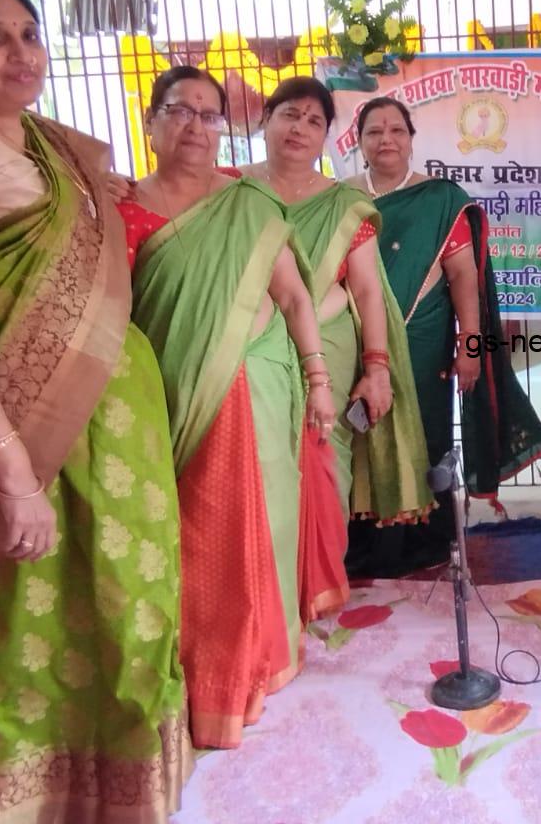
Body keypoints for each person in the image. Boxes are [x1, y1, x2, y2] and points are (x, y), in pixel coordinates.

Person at [0, 0, 191, 820]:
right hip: (22, 441)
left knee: (130, 604)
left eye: (29, 34)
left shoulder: (45, 144)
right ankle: (26, 802)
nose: (22, 53)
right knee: (31, 619)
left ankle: (119, 794)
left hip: (115, 431)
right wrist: (12, 474)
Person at [120, 65, 335, 749]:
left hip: (257, 390)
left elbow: (295, 298)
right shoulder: (124, 208)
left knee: (259, 522)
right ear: (151, 122)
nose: (195, 126)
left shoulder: (248, 203)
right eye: (179, 110)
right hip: (168, 398)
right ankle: (201, 668)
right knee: (191, 530)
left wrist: (319, 376)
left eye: (209, 114)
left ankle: (260, 656)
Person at [236, 76, 430, 614]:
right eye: (289, 115)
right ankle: (267, 594)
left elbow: (366, 291)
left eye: (314, 121)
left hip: (330, 345)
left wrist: (377, 366)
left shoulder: (344, 203)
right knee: (258, 459)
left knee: (323, 458)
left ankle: (318, 589)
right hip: (251, 350)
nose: (300, 128)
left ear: (326, 136)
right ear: (265, 120)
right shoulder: (230, 190)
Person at [343, 98, 541, 577]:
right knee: (362, 439)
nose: (386, 139)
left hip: (424, 342)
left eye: (397, 130)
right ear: (359, 142)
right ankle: (365, 548)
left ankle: (423, 545)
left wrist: (469, 345)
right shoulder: (340, 198)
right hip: (356, 342)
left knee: (426, 435)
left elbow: (462, 276)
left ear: (412, 140)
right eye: (374, 131)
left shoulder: (440, 200)